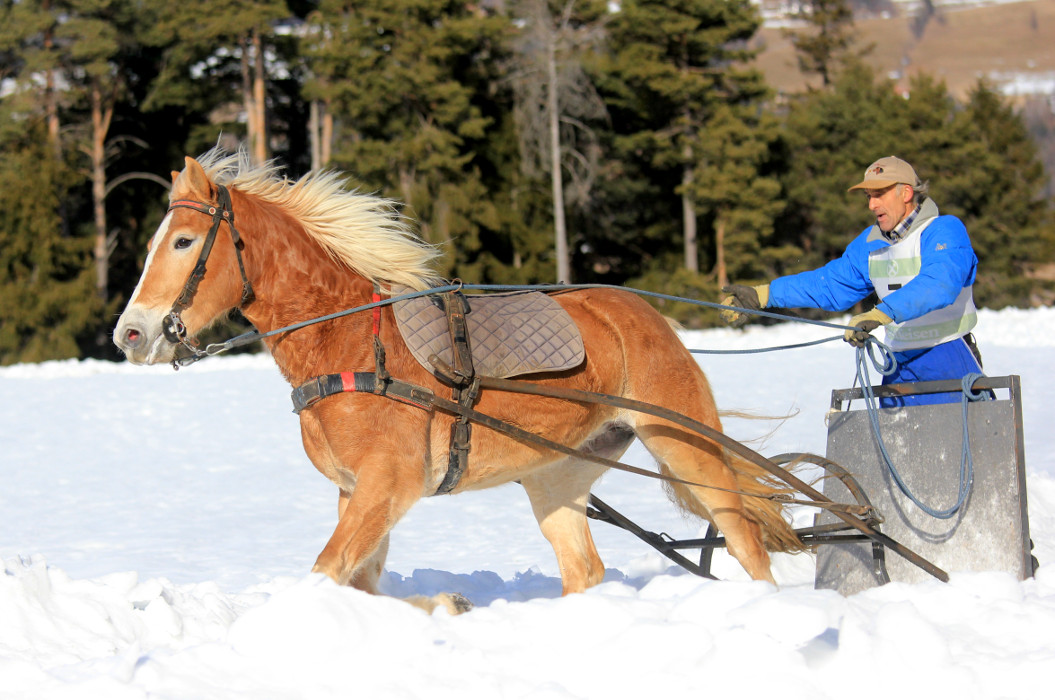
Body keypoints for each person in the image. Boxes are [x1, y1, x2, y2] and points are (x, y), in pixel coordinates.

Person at [720, 155, 984, 407]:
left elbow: (940, 284)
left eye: (879, 194)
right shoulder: (870, 243)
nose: (871, 205)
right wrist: (764, 295)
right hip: (898, 366)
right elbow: (830, 285)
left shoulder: (944, 229)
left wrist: (882, 313)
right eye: (869, 197)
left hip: (949, 356)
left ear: (906, 193)